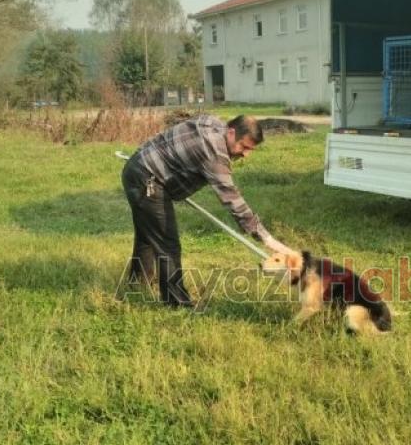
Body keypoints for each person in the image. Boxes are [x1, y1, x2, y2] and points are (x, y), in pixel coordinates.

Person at [120, 114, 297, 307]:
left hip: (140, 167)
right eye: (244, 147)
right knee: (167, 243)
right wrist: (269, 240)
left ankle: (138, 283)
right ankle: (177, 303)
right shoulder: (214, 152)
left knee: (149, 234)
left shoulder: (215, 124)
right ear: (231, 132)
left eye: (250, 149)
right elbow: (232, 199)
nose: (246, 154)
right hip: (147, 180)